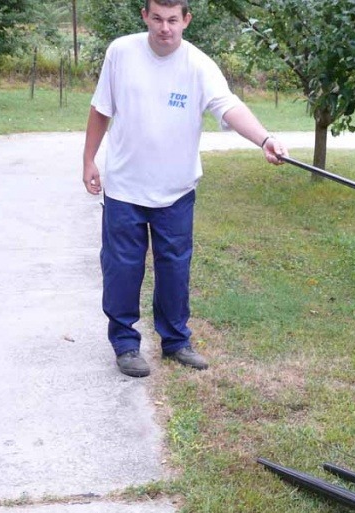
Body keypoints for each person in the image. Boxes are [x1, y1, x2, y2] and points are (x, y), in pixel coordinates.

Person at [82, 0, 287, 377]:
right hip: (125, 189)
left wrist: (265, 139)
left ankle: (176, 341)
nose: (165, 28)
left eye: (173, 20)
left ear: (186, 20)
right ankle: (125, 344)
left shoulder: (199, 65)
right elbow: (101, 109)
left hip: (175, 191)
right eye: (157, 19)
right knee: (122, 269)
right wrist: (89, 160)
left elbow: (229, 107)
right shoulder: (121, 52)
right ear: (145, 16)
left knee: (175, 269)